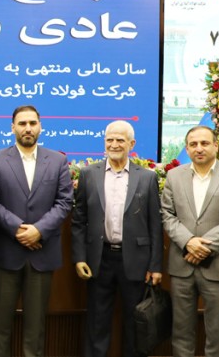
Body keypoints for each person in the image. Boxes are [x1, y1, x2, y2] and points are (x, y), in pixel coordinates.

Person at [0, 105, 72, 357]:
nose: (28, 128)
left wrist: (39, 230)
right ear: (13, 127)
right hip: (6, 253)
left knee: (36, 329)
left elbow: (64, 202)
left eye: (32, 123)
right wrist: (18, 229)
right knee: (0, 326)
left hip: (41, 255)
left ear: (40, 127)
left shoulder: (57, 161)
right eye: (22, 124)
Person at [71, 120, 163, 357]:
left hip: (135, 260)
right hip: (99, 259)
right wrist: (79, 258)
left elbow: (155, 225)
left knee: (135, 324)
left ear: (131, 144)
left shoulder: (147, 177)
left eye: (120, 140)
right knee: (97, 322)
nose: (114, 144)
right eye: (109, 140)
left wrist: (155, 266)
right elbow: (79, 220)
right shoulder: (89, 174)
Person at [161, 125, 219, 357]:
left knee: (216, 333)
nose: (199, 148)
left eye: (204, 143)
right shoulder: (174, 176)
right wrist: (188, 241)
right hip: (182, 266)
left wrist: (202, 246)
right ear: (187, 148)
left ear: (216, 146)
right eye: (193, 144)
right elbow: (167, 214)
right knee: (181, 332)